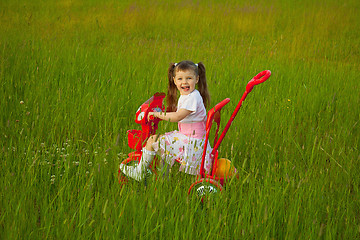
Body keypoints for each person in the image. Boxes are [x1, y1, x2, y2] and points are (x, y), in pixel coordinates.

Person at [120, 60, 213, 181]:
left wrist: (158, 114)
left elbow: (178, 116)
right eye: (180, 79)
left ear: (196, 79)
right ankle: (164, 178)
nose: (184, 82)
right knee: (164, 145)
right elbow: (181, 112)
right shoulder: (189, 95)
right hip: (192, 139)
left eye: (189, 78)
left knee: (153, 140)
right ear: (174, 80)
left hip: (192, 143)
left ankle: (140, 171)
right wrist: (168, 110)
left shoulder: (192, 97)